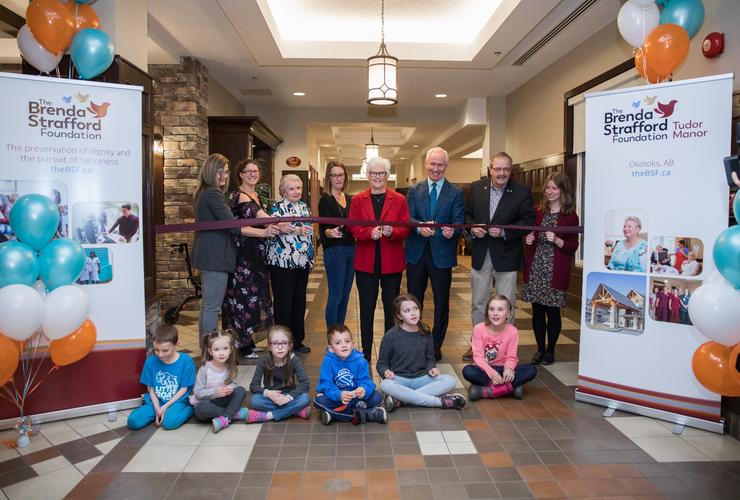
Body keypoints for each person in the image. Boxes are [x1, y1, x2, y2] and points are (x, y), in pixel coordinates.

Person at [463, 152, 535, 361]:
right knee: (478, 303)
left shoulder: (522, 191)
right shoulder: (477, 188)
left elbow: (528, 220)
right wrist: (472, 227)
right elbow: (467, 215)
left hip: (507, 255)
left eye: (506, 169)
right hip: (481, 253)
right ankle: (477, 346)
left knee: (507, 304)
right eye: (497, 168)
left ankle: (505, 350)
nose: (501, 173)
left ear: (510, 171)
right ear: (490, 169)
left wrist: (505, 232)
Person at [193, 154, 268, 343]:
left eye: (226, 172)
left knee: (208, 307)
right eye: (221, 171)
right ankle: (209, 351)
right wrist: (263, 233)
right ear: (212, 171)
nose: (225, 176)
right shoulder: (212, 193)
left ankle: (207, 348)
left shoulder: (204, 192)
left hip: (211, 256)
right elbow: (232, 225)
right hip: (215, 257)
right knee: (212, 307)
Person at [405, 147, 465, 361]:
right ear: (426, 164)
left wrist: (453, 230)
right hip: (416, 254)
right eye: (433, 164)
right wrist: (419, 226)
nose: (436, 168)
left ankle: (435, 346)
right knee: (413, 302)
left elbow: (459, 223)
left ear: (446, 166)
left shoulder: (455, 192)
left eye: (440, 165)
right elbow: (408, 219)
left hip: (442, 255)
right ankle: (415, 343)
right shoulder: (414, 190)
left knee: (442, 303)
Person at [349, 157, 410, 362]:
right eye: (373, 173)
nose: (377, 177)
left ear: (387, 175)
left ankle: (388, 353)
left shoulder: (399, 199)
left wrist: (393, 231)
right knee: (366, 309)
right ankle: (365, 353)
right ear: (367, 175)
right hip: (366, 262)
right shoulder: (357, 200)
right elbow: (353, 227)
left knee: (392, 309)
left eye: (381, 173)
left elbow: (406, 228)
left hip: (391, 262)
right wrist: (368, 233)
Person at [222, 159, 279, 359]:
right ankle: (241, 344)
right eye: (248, 171)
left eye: (255, 171)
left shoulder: (256, 195)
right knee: (242, 299)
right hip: (243, 255)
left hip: (257, 254)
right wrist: (281, 222)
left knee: (256, 300)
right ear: (241, 174)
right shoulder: (239, 196)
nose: (253, 174)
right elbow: (262, 219)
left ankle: (250, 341)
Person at [522, 172, 580, 366]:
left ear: (563, 191)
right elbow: (530, 237)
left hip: (556, 270)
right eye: (548, 187)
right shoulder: (538, 211)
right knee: (537, 311)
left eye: (554, 188)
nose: (550, 192)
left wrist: (556, 240)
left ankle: (550, 351)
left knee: (553, 312)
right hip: (537, 268)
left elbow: (573, 246)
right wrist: (528, 239)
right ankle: (539, 349)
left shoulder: (570, 216)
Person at [376, 293, 466, 411]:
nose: (413, 313)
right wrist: (385, 371)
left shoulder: (426, 332)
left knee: (450, 381)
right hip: (399, 379)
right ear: (399, 316)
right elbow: (381, 364)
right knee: (385, 385)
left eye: (415, 309)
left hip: (422, 379)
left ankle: (402, 400)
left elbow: (430, 358)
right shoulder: (391, 336)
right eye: (407, 311)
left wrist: (431, 367)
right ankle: (439, 402)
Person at [266, 174, 314, 353]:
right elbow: (275, 229)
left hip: (301, 262)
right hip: (281, 262)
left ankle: (297, 340)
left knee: (299, 301)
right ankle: (281, 342)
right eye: (292, 188)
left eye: (299, 188)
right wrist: (296, 229)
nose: (296, 192)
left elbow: (309, 235)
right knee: (283, 302)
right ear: (284, 191)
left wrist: (311, 258)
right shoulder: (276, 208)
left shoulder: (304, 207)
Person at [462, 294, 537, 400]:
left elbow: (511, 356)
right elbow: (478, 357)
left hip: (503, 369)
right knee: (468, 371)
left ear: (508, 314)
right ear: (487, 312)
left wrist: (509, 369)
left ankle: (486, 391)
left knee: (531, 370)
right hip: (485, 370)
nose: (495, 313)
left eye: (500, 309)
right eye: (491, 309)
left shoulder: (513, 331)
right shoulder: (478, 329)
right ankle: (511, 388)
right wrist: (491, 373)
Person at [314, 325, 386, 425]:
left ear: (352, 344)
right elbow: (326, 385)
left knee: (377, 397)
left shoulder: (360, 361)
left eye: (347, 341)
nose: (344, 345)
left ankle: (334, 414)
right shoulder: (328, 362)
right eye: (338, 343)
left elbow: (367, 382)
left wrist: (364, 390)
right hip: (339, 399)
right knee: (319, 400)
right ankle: (367, 415)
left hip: (356, 398)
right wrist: (339, 395)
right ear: (331, 348)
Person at [127, 324, 195, 430]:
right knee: (133, 421)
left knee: (169, 423)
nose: (160, 354)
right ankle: (161, 413)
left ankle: (190, 409)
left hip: (177, 401)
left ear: (177, 344)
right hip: (155, 400)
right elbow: (151, 389)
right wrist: (158, 408)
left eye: (165, 350)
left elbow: (184, 389)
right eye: (156, 350)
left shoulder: (186, 361)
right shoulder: (150, 361)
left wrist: (165, 406)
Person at [246, 325, 311, 423]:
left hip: (289, 395)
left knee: (305, 398)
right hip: (271, 396)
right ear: (269, 346)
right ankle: (295, 411)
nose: (280, 347)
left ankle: (269, 415)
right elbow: (253, 386)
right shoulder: (263, 360)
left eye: (284, 343)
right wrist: (268, 393)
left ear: (290, 346)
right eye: (275, 343)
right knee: (255, 401)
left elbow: (305, 384)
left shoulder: (294, 360)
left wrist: (288, 398)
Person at [318, 160, 355, 328]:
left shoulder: (350, 199)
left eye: (341, 175)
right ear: (329, 178)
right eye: (334, 175)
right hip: (335, 251)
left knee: (346, 295)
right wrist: (329, 232)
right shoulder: (325, 199)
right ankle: (332, 336)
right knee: (336, 295)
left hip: (351, 249)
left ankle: (339, 331)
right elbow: (323, 227)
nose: (338, 178)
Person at [191, 330, 248, 432]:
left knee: (241, 390)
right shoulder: (205, 368)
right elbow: (198, 393)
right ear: (210, 351)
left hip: (223, 400)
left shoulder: (230, 366)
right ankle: (234, 414)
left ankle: (225, 418)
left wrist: (230, 388)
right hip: (207, 403)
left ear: (231, 350)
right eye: (216, 349)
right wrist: (216, 392)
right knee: (201, 408)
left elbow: (234, 383)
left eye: (225, 348)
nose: (221, 353)